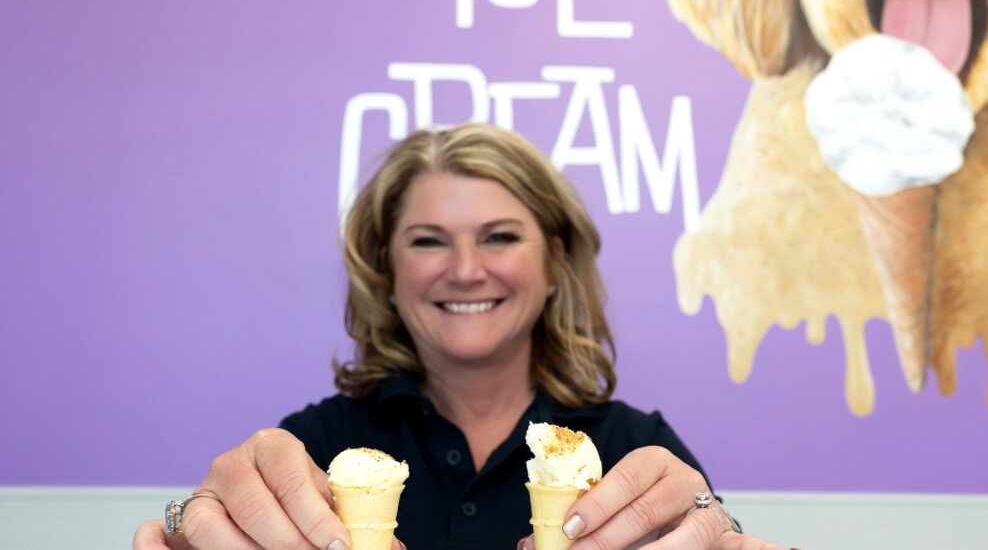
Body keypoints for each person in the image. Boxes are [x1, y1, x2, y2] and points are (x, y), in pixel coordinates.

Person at [133, 123, 787, 550]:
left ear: (555, 262)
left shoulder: (634, 450)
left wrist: (728, 533)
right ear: (386, 269)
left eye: (500, 237)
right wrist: (182, 528)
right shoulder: (318, 447)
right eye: (429, 241)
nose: (467, 270)